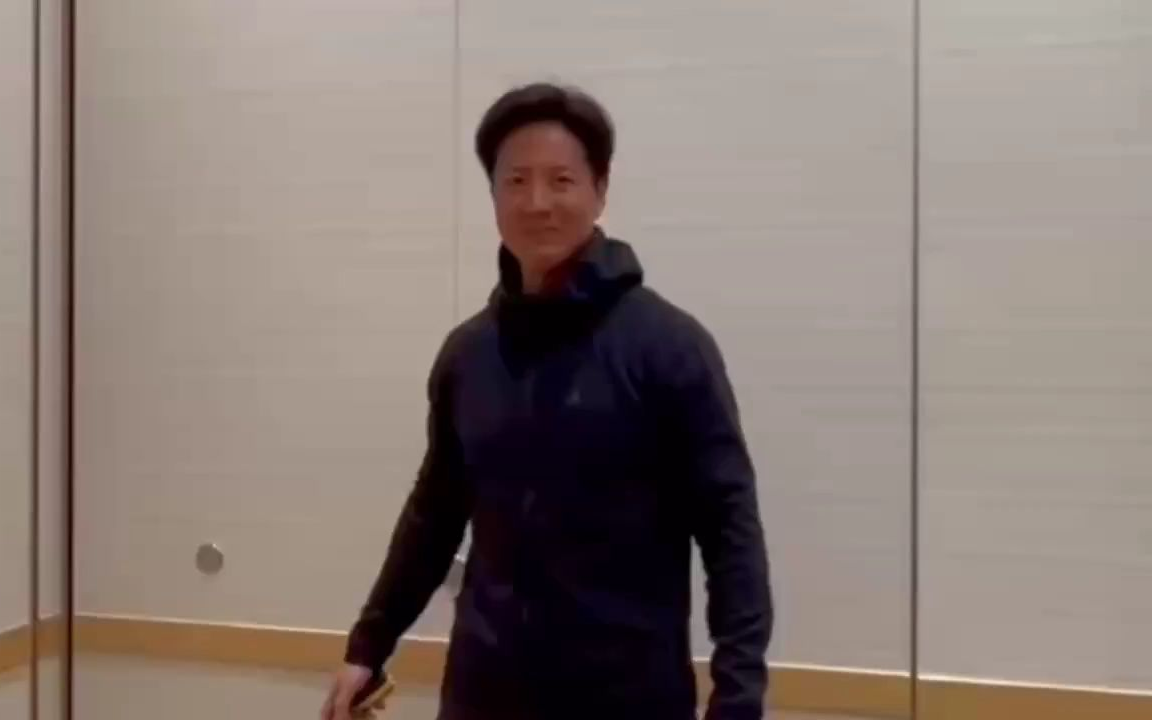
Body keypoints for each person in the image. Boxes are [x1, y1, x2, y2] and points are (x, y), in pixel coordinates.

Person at [321, 82, 773, 720]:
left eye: (561, 180)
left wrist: (739, 697)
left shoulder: (668, 346)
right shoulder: (467, 355)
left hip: (628, 697)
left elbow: (731, 530)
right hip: (482, 692)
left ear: (600, 190)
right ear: (493, 196)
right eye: (516, 181)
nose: (537, 203)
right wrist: (369, 645)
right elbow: (434, 513)